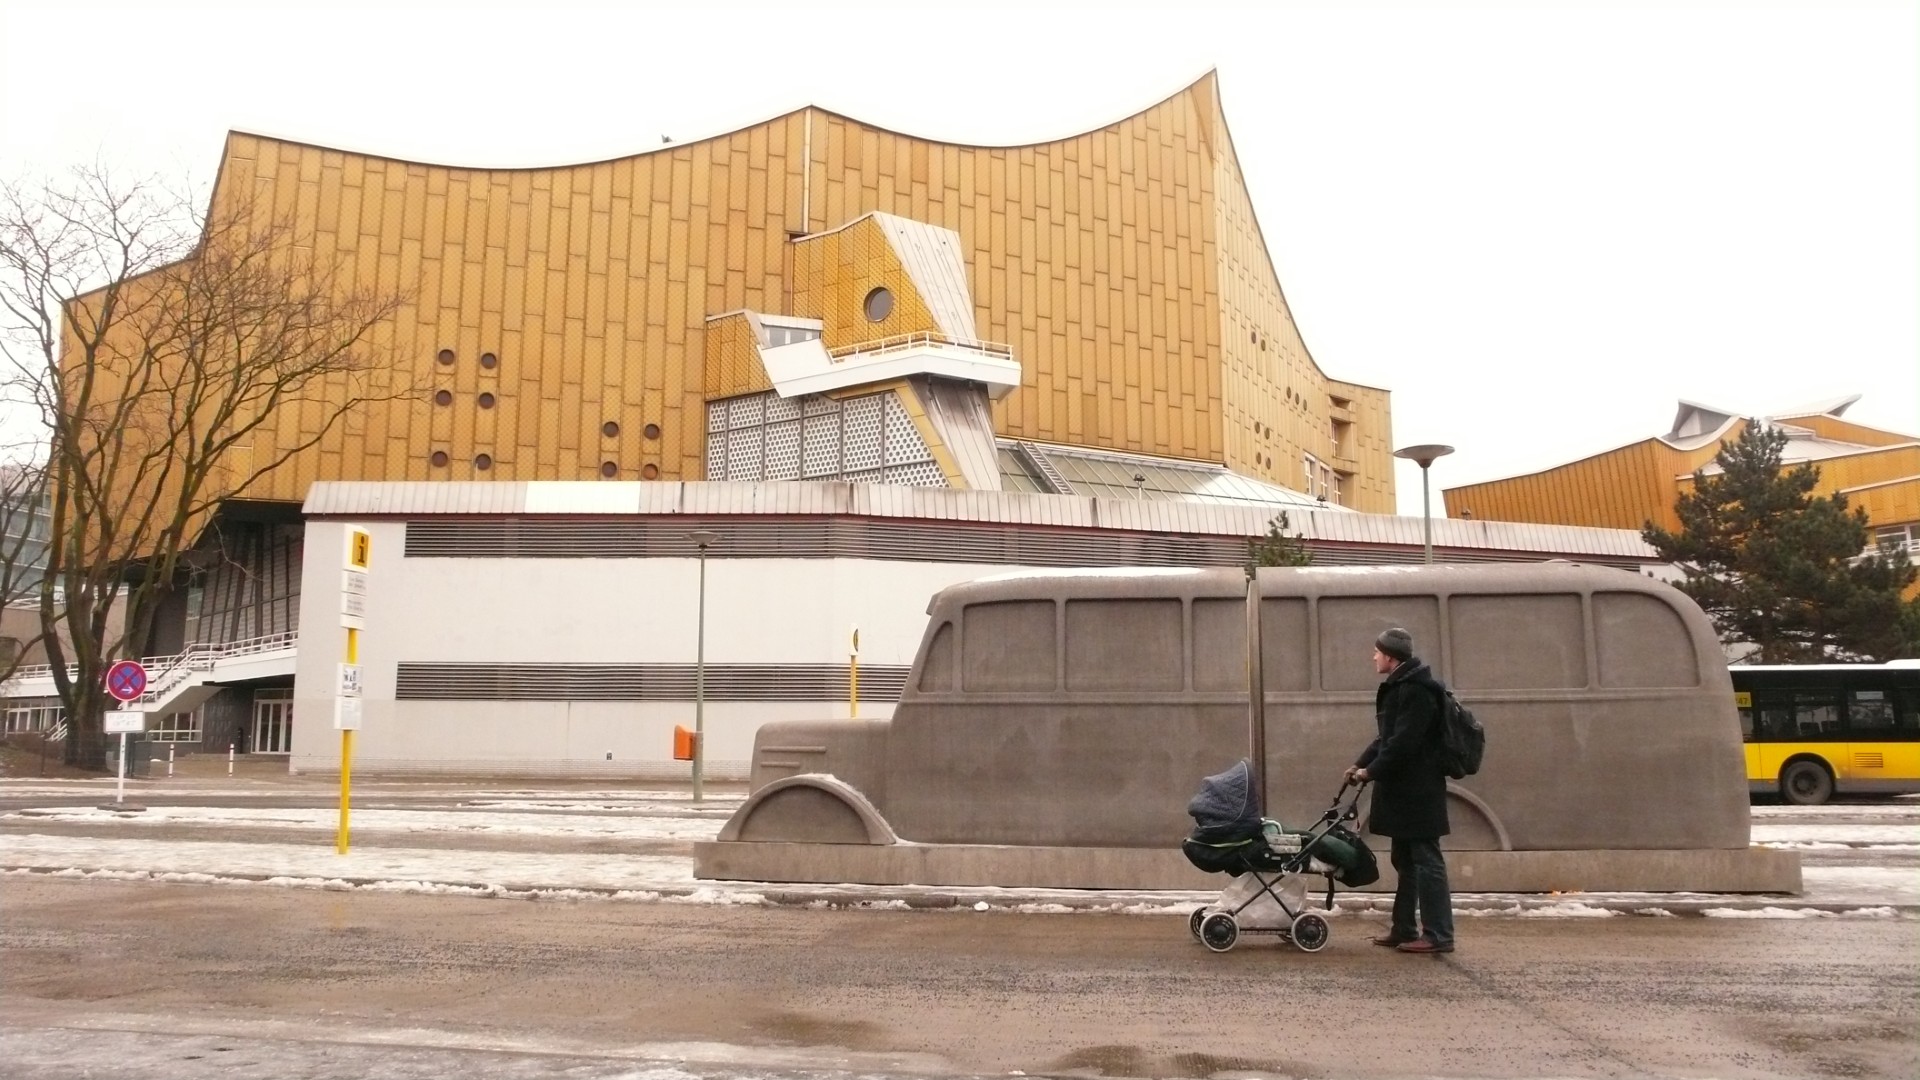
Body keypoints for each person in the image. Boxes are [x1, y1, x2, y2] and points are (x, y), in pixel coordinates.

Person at [1344, 627, 1454, 955]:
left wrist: (1370, 771)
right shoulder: (1401, 687)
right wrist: (1360, 764)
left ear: (1390, 657)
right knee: (1405, 859)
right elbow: (1386, 737)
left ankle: (1439, 935)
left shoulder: (1418, 691)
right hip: (1405, 790)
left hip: (1418, 791)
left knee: (1426, 861)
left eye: (1377, 652)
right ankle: (1404, 928)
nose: (1373, 656)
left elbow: (1403, 743)